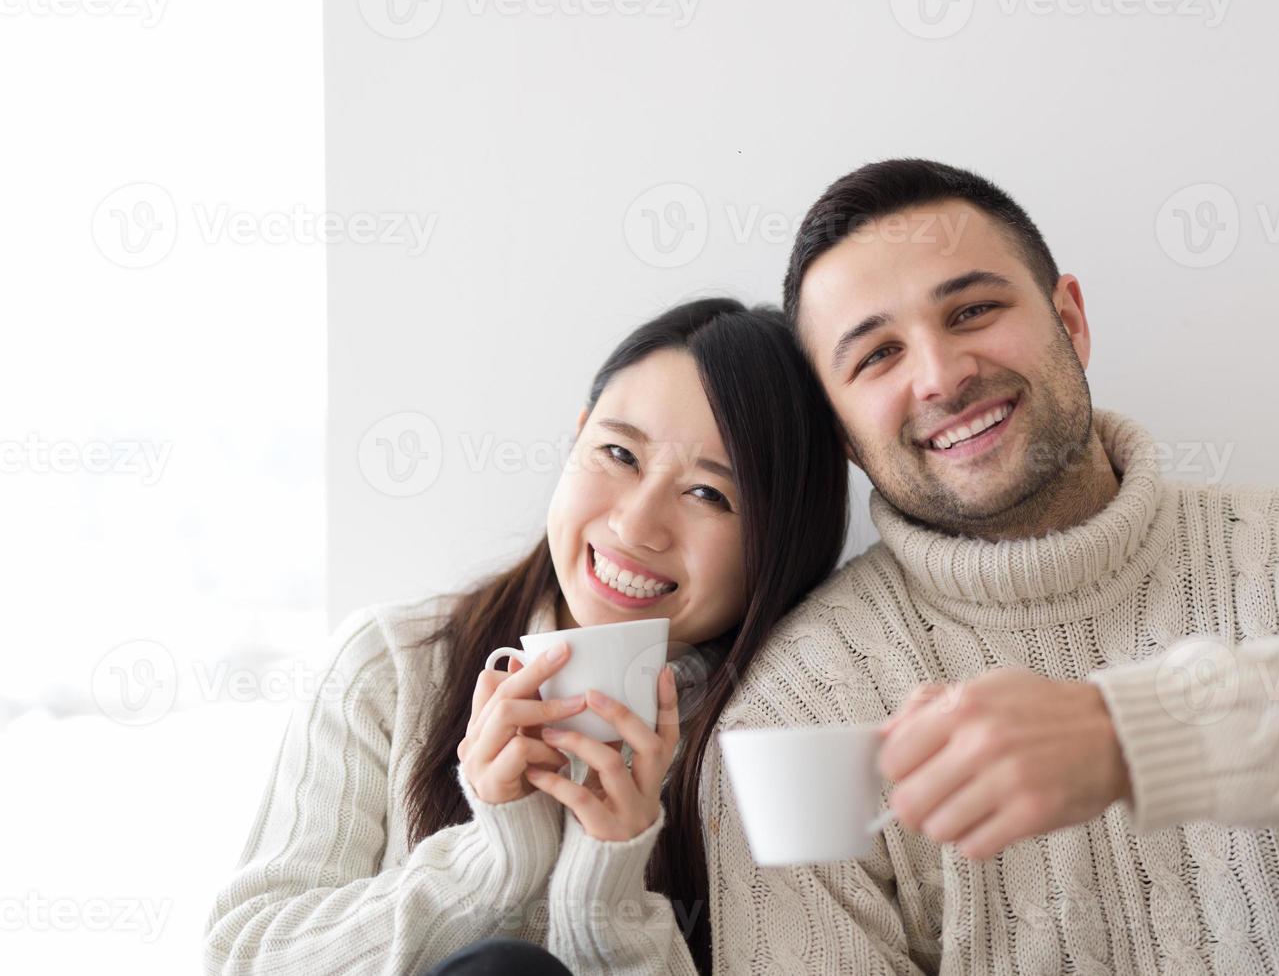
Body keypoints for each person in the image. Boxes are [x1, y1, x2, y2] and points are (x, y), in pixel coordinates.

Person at [692, 159, 1279, 974]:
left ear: (1071, 318)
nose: (942, 374)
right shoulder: (798, 710)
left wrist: (1129, 736)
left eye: (973, 309)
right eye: (877, 356)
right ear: (844, 434)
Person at [202, 298, 849, 975]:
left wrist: (607, 884)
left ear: (780, 544)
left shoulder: (776, 745)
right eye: (619, 453)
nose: (636, 524)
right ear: (575, 440)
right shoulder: (391, 668)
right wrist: (491, 859)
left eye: (710, 495)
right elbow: (244, 955)